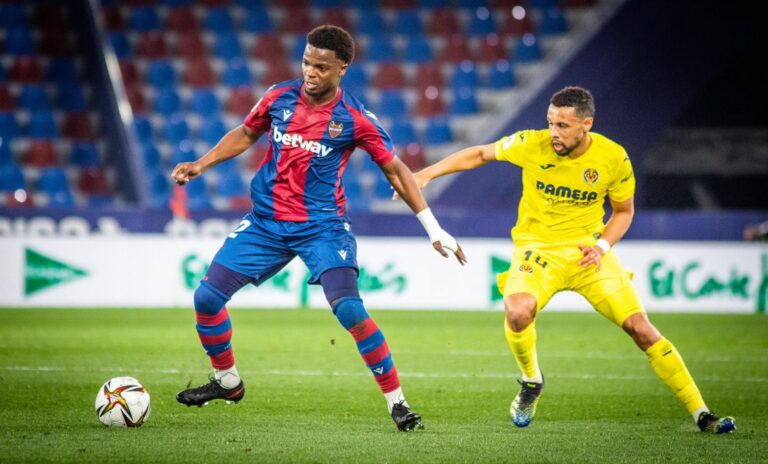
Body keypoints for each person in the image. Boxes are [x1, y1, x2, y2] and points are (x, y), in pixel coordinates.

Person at [171, 25, 466, 432]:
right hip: (266, 222)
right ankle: (228, 381)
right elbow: (245, 133)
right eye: (307, 62)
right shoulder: (279, 96)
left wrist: (432, 227)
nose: (310, 72)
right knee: (206, 298)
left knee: (349, 308)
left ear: (342, 69)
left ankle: (397, 403)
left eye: (321, 67)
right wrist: (201, 164)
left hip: (322, 227)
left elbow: (396, 170)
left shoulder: (355, 118)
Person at [408, 86, 735, 434]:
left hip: (589, 255)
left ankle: (702, 414)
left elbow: (624, 212)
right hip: (538, 250)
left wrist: (603, 248)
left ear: (586, 125)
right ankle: (531, 380)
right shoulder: (531, 144)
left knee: (642, 329)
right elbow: (480, 154)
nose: (554, 133)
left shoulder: (613, 158)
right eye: (550, 123)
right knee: (517, 311)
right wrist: (426, 174)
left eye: (563, 125)